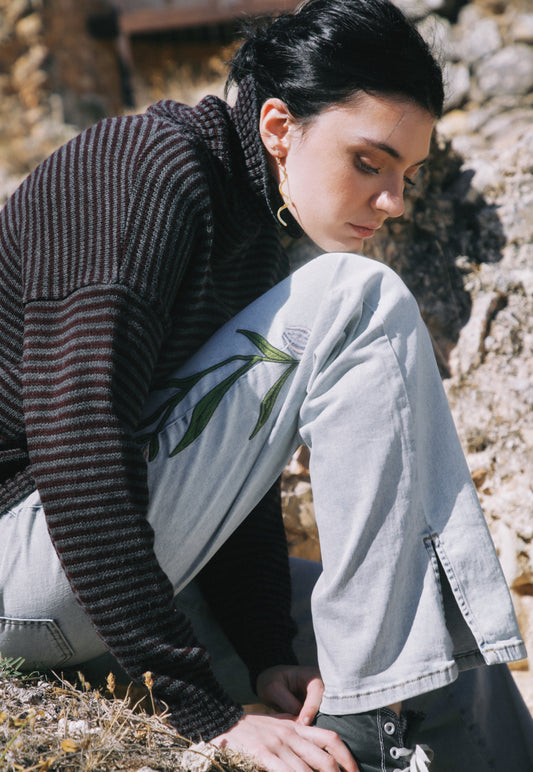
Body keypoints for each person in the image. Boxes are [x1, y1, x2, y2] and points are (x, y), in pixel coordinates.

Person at [0, 1, 531, 770]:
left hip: (93, 573)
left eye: (407, 175)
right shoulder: (140, 171)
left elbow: (225, 470)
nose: (393, 201)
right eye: (368, 162)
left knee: (430, 629)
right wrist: (202, 707)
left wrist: (263, 651)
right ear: (279, 127)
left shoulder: (256, 231)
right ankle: (366, 719)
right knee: (356, 295)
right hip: (23, 560)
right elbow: (81, 441)